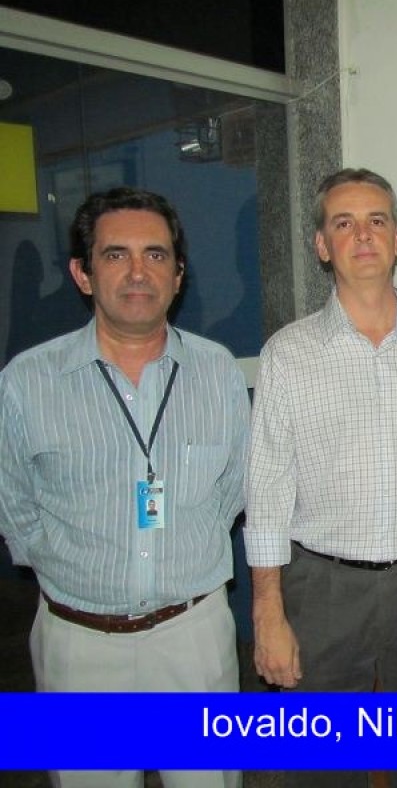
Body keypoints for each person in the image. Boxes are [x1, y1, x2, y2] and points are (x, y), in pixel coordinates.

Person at [0, 187, 249, 788]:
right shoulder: (26, 382)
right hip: (79, 646)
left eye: (155, 255)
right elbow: (14, 506)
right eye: (116, 255)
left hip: (193, 639)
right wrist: (74, 571)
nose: (139, 271)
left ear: (178, 275)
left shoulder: (218, 371)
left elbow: (233, 491)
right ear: (82, 274)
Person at [243, 168, 397, 788]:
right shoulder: (288, 353)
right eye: (344, 223)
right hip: (322, 589)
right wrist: (268, 612)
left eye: (376, 220)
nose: (362, 235)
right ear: (321, 245)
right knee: (320, 768)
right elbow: (267, 488)